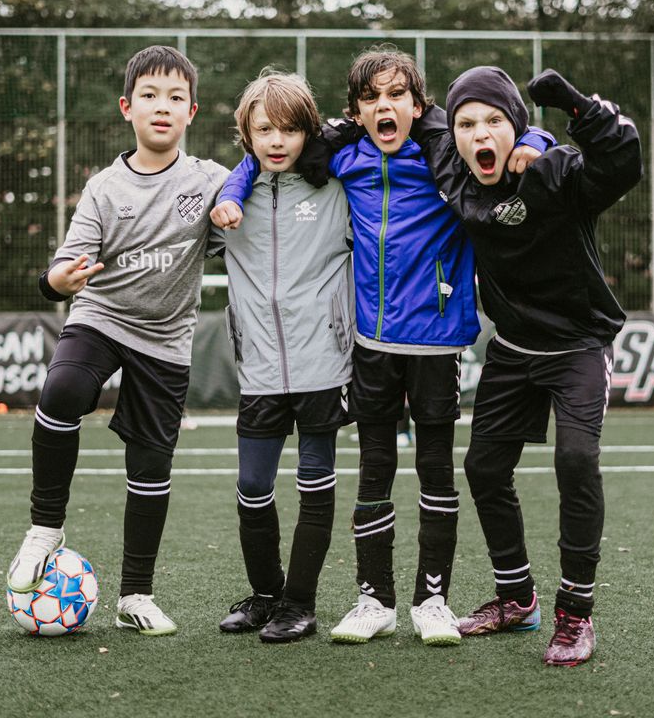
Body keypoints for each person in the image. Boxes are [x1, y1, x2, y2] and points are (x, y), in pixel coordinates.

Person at [214, 46, 551, 647]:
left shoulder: (446, 155)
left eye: (397, 95)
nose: (383, 106)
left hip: (437, 343)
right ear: (355, 112)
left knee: (436, 473)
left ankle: (432, 601)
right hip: (370, 345)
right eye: (370, 99)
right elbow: (266, 155)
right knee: (374, 472)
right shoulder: (344, 161)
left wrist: (538, 140)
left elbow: (502, 138)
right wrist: (236, 190)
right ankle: (375, 600)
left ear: (419, 106)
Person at [412, 65, 642, 666]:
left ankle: (576, 613)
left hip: (577, 346)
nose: (479, 133)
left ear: (516, 125)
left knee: (576, 460)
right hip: (513, 348)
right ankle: (517, 598)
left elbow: (622, 161)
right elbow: (415, 116)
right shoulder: (454, 173)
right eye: (467, 124)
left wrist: (575, 107)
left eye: (494, 121)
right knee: (484, 468)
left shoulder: (555, 171)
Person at [6, 45, 229, 637]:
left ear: (191, 112)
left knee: (151, 465)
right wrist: (59, 281)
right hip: (102, 318)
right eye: (150, 96)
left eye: (175, 97)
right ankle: (44, 530)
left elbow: (253, 203)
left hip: (167, 337)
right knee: (62, 391)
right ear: (127, 108)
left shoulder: (211, 181)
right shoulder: (104, 187)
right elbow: (59, 271)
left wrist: (234, 212)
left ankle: (136, 595)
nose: (163, 106)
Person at [208, 70, 352, 643]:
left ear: (308, 132)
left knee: (315, 485)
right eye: (264, 129)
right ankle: (266, 596)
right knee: (252, 488)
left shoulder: (336, 186)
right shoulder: (226, 199)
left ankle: (300, 604)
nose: (276, 140)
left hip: (324, 364)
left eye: (289, 129)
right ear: (245, 133)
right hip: (260, 371)